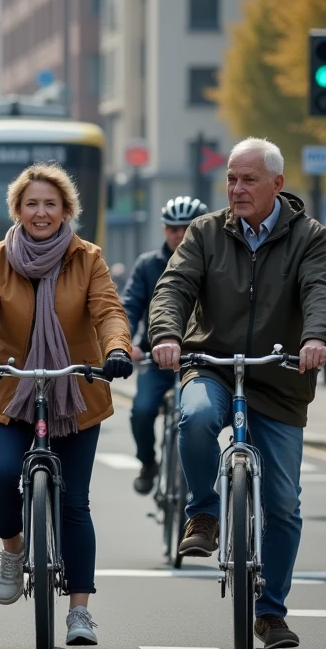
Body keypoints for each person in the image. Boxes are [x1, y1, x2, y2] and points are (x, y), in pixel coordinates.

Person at [149, 137, 326, 649]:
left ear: (277, 184)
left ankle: (270, 613)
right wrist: (167, 334)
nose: (236, 188)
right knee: (193, 415)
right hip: (211, 362)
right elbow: (174, 286)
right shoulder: (205, 233)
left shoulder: (310, 237)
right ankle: (204, 511)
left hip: (279, 377)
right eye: (231, 179)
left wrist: (317, 338)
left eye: (247, 179)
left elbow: (321, 290)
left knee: (283, 504)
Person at [0, 163, 132, 647]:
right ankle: (12, 549)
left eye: (51, 203)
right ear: (18, 210)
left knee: (74, 503)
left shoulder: (88, 258)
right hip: (12, 387)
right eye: (32, 203)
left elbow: (108, 310)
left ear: (66, 209)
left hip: (76, 390)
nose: (41, 212)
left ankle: (79, 613)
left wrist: (116, 349)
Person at [122, 196, 208, 494]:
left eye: (187, 227)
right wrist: (124, 343)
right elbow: (130, 306)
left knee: (198, 416)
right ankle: (148, 462)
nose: (180, 234)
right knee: (142, 411)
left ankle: (203, 481)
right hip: (155, 357)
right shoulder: (148, 265)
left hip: (201, 358)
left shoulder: (214, 261)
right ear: (164, 230)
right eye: (173, 228)